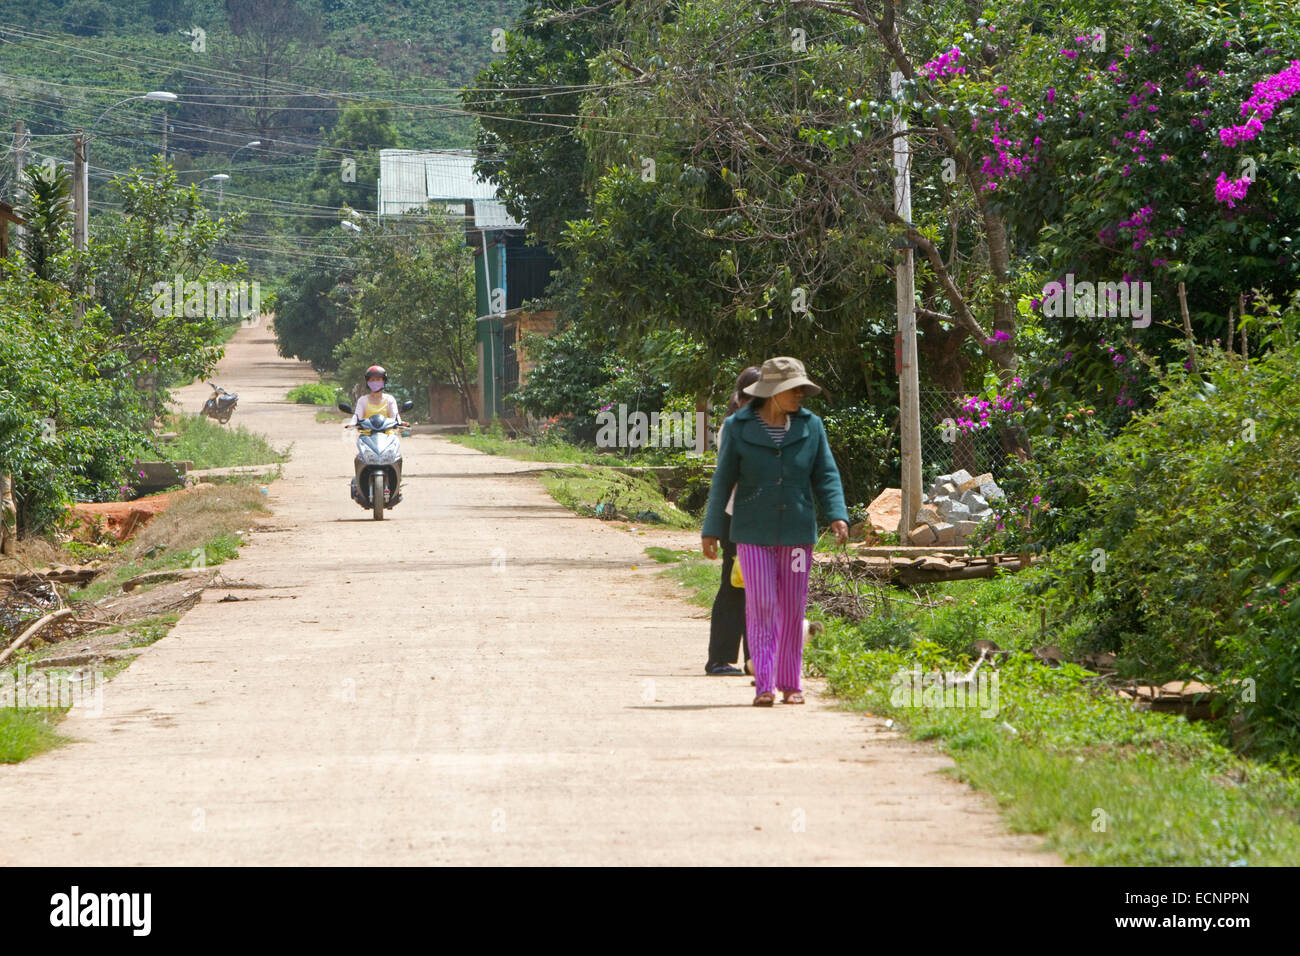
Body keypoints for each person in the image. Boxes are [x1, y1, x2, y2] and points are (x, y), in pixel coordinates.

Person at [701, 357, 849, 707]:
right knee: (762, 604)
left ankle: (790, 682)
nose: (800, 394)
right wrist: (710, 529)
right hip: (752, 532)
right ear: (772, 392)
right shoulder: (739, 427)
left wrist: (837, 514)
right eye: (793, 388)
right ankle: (765, 684)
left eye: (802, 388)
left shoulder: (812, 426)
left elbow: (825, 474)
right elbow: (723, 481)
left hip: (798, 532)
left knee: (793, 606)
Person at [704, 366, 761, 676]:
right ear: (739, 398)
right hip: (737, 519)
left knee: (760, 590)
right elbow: (728, 479)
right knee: (734, 587)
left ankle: (756, 659)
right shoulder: (732, 427)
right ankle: (719, 659)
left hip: (763, 520)